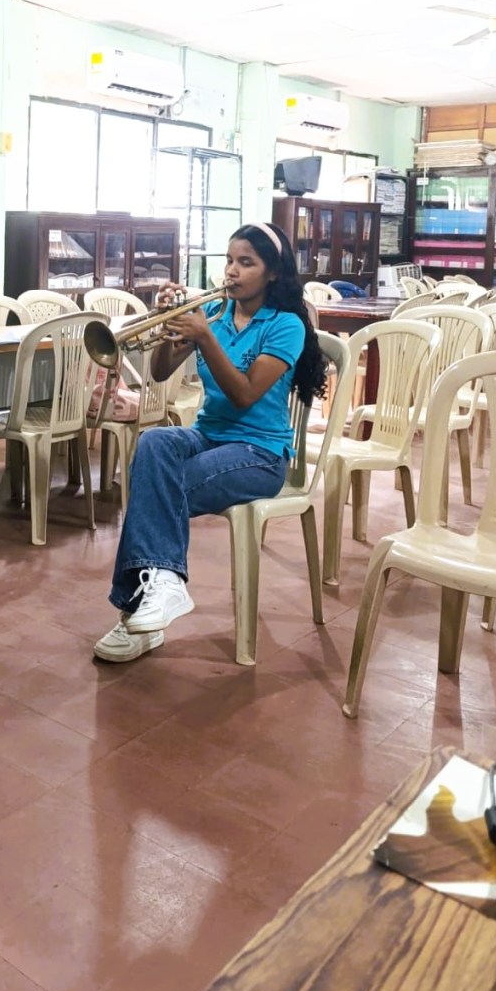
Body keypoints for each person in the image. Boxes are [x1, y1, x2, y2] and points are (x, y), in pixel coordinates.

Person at [93, 222, 327, 662]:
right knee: (154, 444)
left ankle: (137, 611)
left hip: (260, 454)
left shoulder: (286, 326)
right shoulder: (217, 320)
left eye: (246, 263)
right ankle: (161, 591)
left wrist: (203, 337)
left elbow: (243, 394)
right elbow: (161, 372)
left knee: (162, 483)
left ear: (272, 273)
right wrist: (172, 329)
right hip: (209, 436)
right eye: (229, 260)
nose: (232, 272)